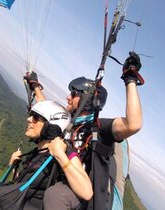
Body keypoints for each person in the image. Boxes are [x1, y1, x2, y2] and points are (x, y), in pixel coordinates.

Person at [23, 52, 143, 210]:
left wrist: (130, 79)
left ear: (87, 100)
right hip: (67, 181)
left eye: (73, 94)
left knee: (56, 195)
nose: (68, 97)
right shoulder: (70, 123)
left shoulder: (98, 128)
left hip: (86, 195)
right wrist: (35, 85)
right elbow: (46, 108)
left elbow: (132, 125)